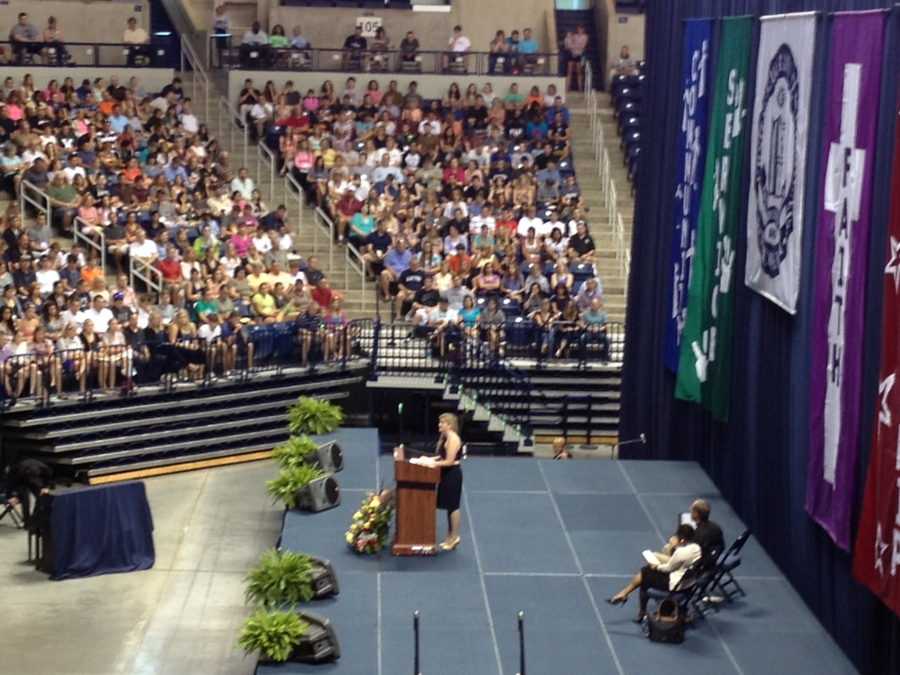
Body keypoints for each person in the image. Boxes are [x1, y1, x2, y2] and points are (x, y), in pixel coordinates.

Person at [607, 524, 702, 623]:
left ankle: (636, 606)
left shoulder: (681, 552)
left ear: (681, 537)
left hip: (676, 585)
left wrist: (655, 566)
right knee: (646, 573)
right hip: (689, 584)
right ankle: (624, 594)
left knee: (644, 576)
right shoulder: (697, 548)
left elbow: (668, 569)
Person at [414, 413, 463, 551]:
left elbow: (448, 461)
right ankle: (449, 536)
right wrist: (429, 459)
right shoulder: (445, 438)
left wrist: (432, 464)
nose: (439, 425)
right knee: (448, 505)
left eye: (442, 423)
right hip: (446, 474)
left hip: (452, 474)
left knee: (453, 506)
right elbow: (442, 456)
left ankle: (454, 536)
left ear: (450, 425)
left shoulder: (453, 439)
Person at [653, 499, 725, 562]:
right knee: (667, 548)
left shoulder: (698, 535)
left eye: (691, 510)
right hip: (709, 558)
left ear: (696, 514)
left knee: (654, 557)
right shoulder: (716, 528)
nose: (690, 511)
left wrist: (673, 547)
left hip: (693, 566)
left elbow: (687, 557)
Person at [4, 458, 53, 524]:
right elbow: (10, 483)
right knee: (24, 498)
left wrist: (45, 487)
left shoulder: (44, 468)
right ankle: (27, 520)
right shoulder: (18, 470)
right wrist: (10, 496)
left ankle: (35, 517)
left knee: (42, 496)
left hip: (35, 480)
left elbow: (48, 476)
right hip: (20, 482)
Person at [566, 24, 588, 92]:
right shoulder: (574, 36)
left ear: (583, 29)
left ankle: (580, 87)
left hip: (579, 54)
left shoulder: (585, 37)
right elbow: (568, 45)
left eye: (581, 29)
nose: (580, 30)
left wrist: (574, 47)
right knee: (569, 70)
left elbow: (582, 46)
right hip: (572, 53)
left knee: (579, 71)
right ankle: (567, 87)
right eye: (579, 28)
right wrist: (575, 48)